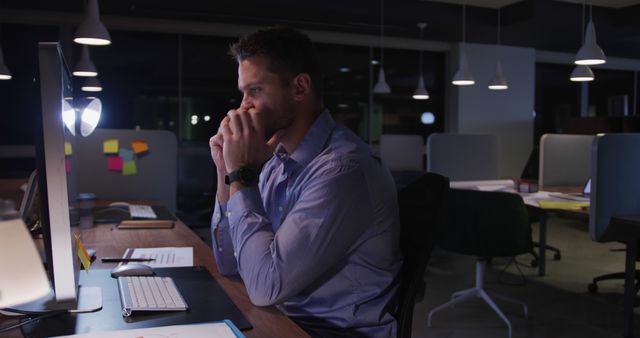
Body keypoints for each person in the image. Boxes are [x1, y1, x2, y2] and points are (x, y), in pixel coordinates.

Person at [209, 26, 402, 337]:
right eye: (242, 92)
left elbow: (265, 287)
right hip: (282, 318)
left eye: (255, 90)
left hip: (332, 331)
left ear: (300, 88)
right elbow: (230, 263)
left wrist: (242, 174)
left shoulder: (343, 169)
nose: (242, 106)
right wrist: (225, 169)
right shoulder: (272, 159)